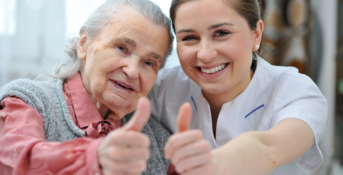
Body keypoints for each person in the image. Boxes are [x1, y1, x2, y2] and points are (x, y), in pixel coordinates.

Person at [149, 0, 327, 174]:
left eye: (221, 33)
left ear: (256, 34)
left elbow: (269, 149)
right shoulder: (161, 88)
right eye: (189, 37)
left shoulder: (295, 91)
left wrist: (211, 165)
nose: (205, 54)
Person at [0, 0, 176, 174]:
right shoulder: (29, 101)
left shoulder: (160, 140)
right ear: (83, 44)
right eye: (122, 48)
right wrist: (95, 157)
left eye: (148, 63)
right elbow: (16, 163)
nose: (132, 71)